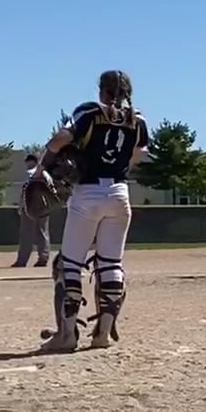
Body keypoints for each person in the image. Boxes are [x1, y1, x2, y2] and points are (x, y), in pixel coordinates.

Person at [31, 70, 150, 353]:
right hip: (120, 193)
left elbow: (57, 141)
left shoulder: (90, 113)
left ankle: (67, 335)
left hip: (88, 193)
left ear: (102, 90)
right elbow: (140, 153)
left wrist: (43, 167)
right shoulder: (137, 120)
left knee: (69, 265)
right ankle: (103, 334)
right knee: (111, 265)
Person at [12, 152, 52, 268]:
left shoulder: (28, 174)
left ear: (31, 162)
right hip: (44, 206)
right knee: (43, 233)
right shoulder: (46, 174)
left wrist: (21, 206)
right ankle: (43, 258)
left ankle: (22, 260)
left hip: (30, 206)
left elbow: (24, 191)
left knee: (26, 234)